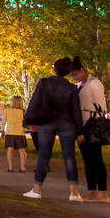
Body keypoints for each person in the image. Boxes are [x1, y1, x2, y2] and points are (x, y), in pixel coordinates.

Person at [21, 57, 84, 202]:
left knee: (44, 156)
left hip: (47, 123)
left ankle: (37, 190)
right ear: (68, 72)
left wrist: (27, 121)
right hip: (66, 123)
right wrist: (80, 131)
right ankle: (74, 193)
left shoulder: (44, 83)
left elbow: (35, 101)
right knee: (69, 157)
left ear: (54, 69)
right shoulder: (72, 88)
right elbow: (76, 111)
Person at [71, 57, 108, 203]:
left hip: (93, 125)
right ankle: (92, 190)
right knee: (87, 160)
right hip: (82, 125)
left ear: (82, 70)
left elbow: (101, 106)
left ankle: (102, 192)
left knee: (96, 159)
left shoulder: (94, 83)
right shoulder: (81, 84)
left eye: (74, 74)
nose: (73, 77)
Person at [2, 95, 27, 174]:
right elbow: (26, 122)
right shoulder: (23, 111)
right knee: (22, 151)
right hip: (20, 133)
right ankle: (23, 168)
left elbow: (4, 121)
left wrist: (2, 130)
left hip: (10, 133)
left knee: (10, 150)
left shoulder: (7, 110)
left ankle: (10, 167)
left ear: (13, 102)